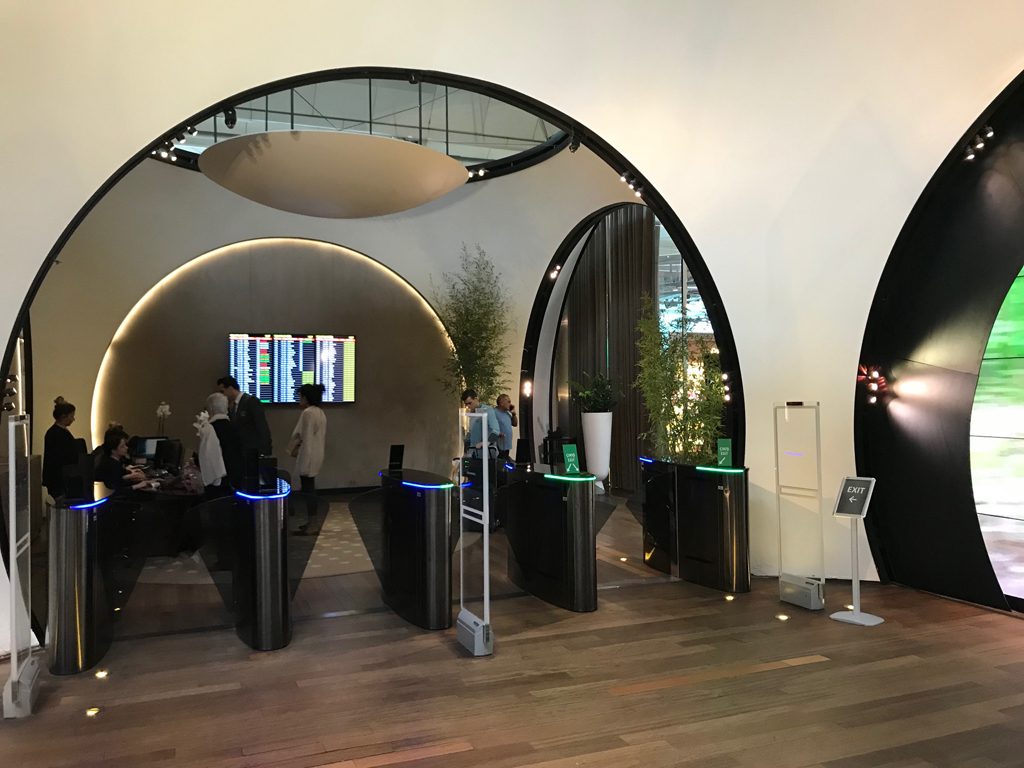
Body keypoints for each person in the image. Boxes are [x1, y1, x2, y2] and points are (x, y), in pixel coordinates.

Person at [288, 383, 327, 534]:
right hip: (317, 454)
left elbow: (305, 438)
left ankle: (313, 524)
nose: (299, 398)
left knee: (308, 490)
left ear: (305, 397)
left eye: (300, 396)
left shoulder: (308, 413)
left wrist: (302, 461)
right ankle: (312, 522)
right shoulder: (320, 412)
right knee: (310, 489)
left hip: (308, 455)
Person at [217, 375, 272, 479]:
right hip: (240, 454)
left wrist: (265, 452)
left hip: (252, 453)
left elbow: (262, 427)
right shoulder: (231, 407)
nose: (222, 396)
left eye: (222, 392)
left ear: (230, 388)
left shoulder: (251, 401)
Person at [198, 392, 244, 496]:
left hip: (219, 485)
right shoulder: (236, 428)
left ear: (210, 409)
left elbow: (209, 459)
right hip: (237, 483)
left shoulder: (210, 429)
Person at [42, 396, 80, 498]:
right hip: (60, 481)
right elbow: (61, 458)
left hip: (59, 479)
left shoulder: (53, 432)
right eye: (71, 416)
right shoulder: (57, 434)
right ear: (64, 416)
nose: (73, 419)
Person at [95, 427, 148, 492]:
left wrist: (131, 474)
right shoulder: (111, 464)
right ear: (113, 450)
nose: (126, 448)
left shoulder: (114, 460)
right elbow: (116, 490)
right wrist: (138, 485)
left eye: (125, 445)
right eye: (122, 446)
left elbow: (119, 476)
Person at [462, 388, 500, 457]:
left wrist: (485, 443)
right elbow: (470, 434)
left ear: (476, 399)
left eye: (470, 403)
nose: (468, 406)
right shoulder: (471, 414)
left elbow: (496, 431)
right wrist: (465, 452)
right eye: (466, 404)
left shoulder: (488, 410)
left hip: (488, 454)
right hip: (474, 453)